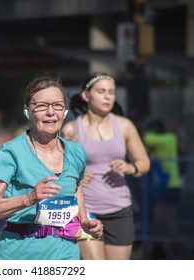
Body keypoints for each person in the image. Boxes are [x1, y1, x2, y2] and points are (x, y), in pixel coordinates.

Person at [0, 76, 103, 260]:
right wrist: (29, 198)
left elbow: (77, 188)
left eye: (57, 105)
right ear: (27, 111)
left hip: (65, 254)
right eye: (41, 106)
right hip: (19, 254)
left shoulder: (77, 152)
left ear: (64, 112)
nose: (50, 112)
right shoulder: (11, 152)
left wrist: (84, 220)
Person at [61, 73, 150, 260]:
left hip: (119, 209)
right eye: (101, 91)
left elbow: (144, 162)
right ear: (86, 95)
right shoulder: (71, 130)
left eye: (111, 92)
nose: (108, 96)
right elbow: (61, 168)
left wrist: (130, 168)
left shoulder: (125, 126)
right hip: (87, 211)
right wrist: (75, 176)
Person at [143, 117, 183, 246]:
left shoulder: (169, 138)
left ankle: (180, 249)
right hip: (165, 186)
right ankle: (174, 249)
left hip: (170, 185)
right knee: (163, 222)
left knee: (164, 221)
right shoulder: (167, 138)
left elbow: (147, 138)